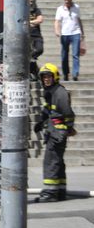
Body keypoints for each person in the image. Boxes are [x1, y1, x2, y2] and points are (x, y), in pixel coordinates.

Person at [33, 63, 76, 202]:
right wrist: (41, 121)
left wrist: (69, 127)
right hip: (54, 131)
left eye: (49, 76)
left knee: (50, 161)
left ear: (55, 77)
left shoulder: (60, 92)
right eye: (44, 77)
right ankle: (60, 191)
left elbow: (68, 113)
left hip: (57, 132)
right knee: (58, 161)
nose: (46, 79)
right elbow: (48, 109)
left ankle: (50, 193)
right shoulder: (51, 92)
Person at [54, 0, 84, 81]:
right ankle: (66, 73)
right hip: (65, 34)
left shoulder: (76, 7)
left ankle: (75, 73)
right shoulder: (60, 9)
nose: (66, 1)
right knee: (64, 55)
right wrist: (57, 30)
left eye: (68, 0)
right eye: (65, 0)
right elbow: (56, 21)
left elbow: (79, 20)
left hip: (76, 33)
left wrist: (82, 33)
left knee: (75, 54)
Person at [29, 0, 44, 81]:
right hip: (27, 36)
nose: (31, 3)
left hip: (37, 35)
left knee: (39, 49)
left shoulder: (37, 10)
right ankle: (34, 74)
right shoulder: (23, 10)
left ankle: (31, 58)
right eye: (30, 2)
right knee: (30, 58)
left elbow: (40, 19)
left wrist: (29, 22)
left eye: (32, 2)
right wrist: (34, 22)